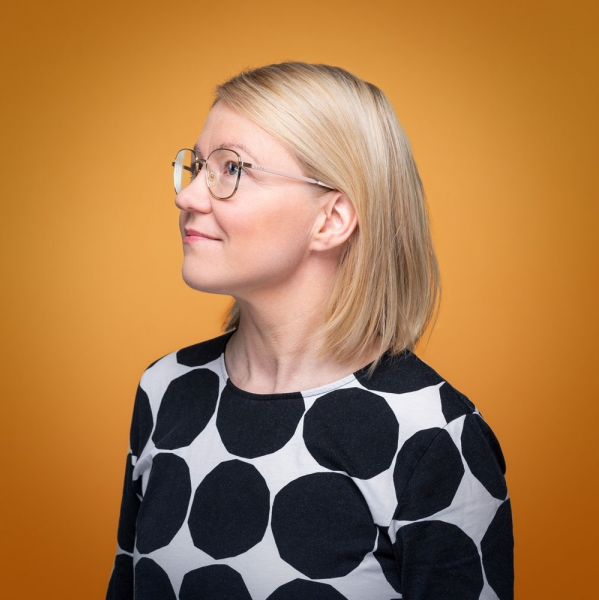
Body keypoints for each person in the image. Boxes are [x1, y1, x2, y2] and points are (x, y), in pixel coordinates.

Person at [107, 62, 513, 600]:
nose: (188, 197)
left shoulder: (435, 438)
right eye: (199, 165)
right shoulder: (165, 390)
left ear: (332, 219)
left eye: (232, 169)